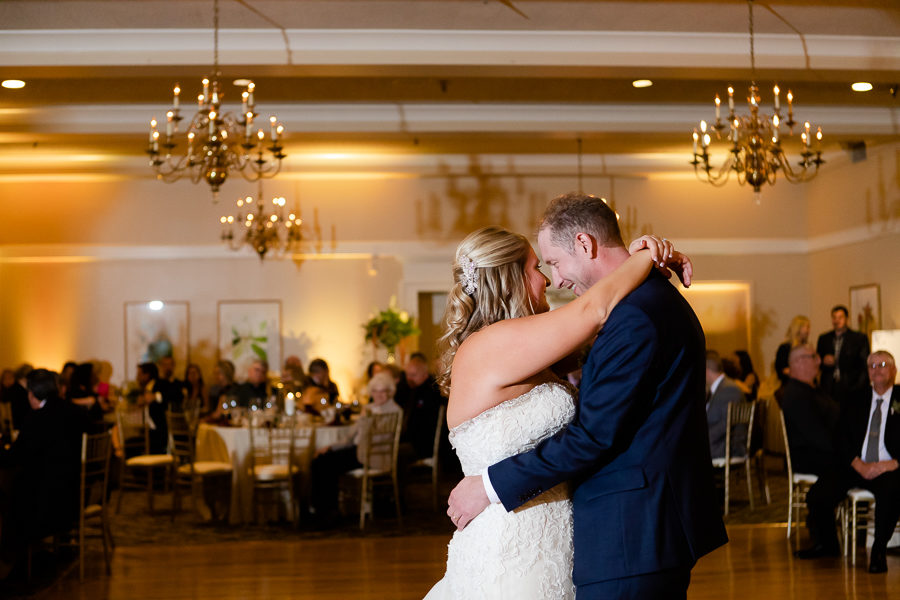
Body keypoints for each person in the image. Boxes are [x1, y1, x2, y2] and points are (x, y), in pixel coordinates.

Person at [435, 193, 725, 599]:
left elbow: (595, 425)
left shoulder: (609, 321)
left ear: (585, 245)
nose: (550, 279)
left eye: (550, 262)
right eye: (539, 267)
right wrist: (644, 255)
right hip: (516, 542)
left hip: (600, 535)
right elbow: (593, 311)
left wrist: (645, 257)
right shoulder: (494, 345)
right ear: (513, 277)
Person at [796, 350, 900, 572]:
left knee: (891, 492)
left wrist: (893, 463)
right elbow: (839, 436)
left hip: (889, 467)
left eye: (882, 364)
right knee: (817, 495)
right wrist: (857, 463)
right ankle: (827, 544)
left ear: (894, 370)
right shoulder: (854, 398)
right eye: (872, 366)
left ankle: (879, 551)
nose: (877, 369)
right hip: (855, 465)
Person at [0, 369, 87, 572]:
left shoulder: (37, 419)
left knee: (9, 493)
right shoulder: (75, 412)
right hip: (75, 492)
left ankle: (13, 560)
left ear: (33, 394)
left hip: (49, 502)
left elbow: (15, 456)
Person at [309, 371, 403, 526]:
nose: (379, 395)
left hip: (372, 455)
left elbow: (376, 439)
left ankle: (330, 514)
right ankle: (320, 511)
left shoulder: (393, 411)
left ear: (390, 391)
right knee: (319, 459)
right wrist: (329, 447)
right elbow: (350, 437)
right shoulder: (369, 408)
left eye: (383, 391)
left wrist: (366, 420)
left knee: (326, 465)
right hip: (357, 450)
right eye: (375, 391)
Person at [780, 344, 840, 477]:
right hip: (812, 458)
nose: (819, 361)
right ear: (799, 362)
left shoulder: (811, 389)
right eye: (814, 357)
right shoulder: (797, 395)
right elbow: (817, 436)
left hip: (823, 452)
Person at [816, 305, 870, 406]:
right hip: (829, 388)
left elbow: (864, 365)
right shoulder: (824, 339)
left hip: (850, 387)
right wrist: (823, 360)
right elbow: (816, 362)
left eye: (840, 317)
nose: (837, 321)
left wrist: (859, 386)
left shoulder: (858, 338)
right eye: (834, 317)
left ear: (846, 319)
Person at [706, 351, 747, 461]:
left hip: (728, 447)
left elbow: (725, 424)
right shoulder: (721, 388)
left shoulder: (729, 390)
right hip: (720, 443)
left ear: (706, 370)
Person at [775, 315, 810, 384]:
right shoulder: (784, 348)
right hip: (791, 385)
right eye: (807, 327)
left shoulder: (807, 347)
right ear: (799, 328)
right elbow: (782, 370)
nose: (809, 331)